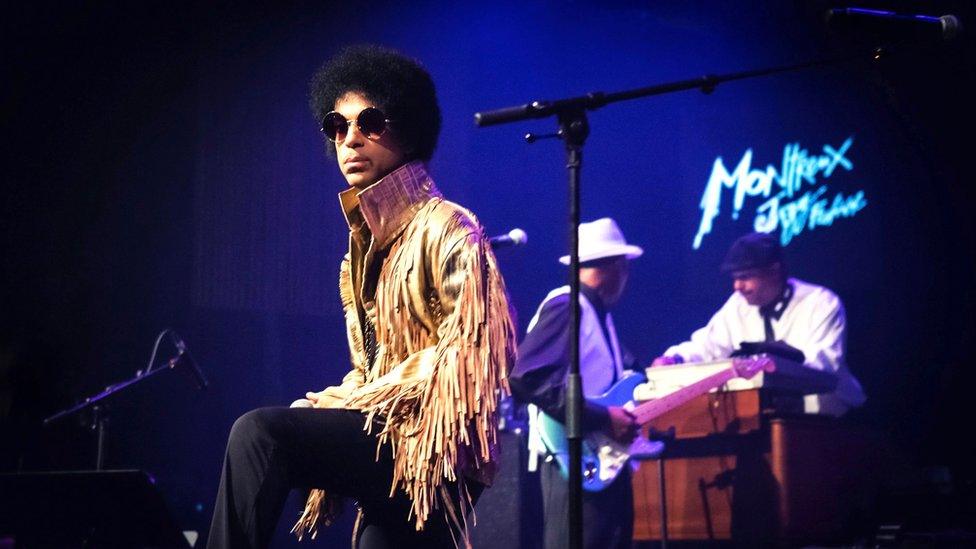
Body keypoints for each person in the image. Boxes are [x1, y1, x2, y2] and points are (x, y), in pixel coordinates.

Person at [207, 45, 517, 549]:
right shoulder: (358, 257)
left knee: (259, 434)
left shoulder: (450, 228)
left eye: (369, 122)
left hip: (434, 446)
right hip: (395, 440)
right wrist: (340, 397)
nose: (349, 139)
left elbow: (471, 356)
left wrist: (357, 399)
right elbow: (373, 366)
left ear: (409, 130)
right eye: (337, 125)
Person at [509, 217, 643, 549]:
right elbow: (526, 376)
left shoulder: (597, 314)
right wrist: (603, 418)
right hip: (572, 459)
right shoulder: (567, 305)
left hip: (600, 459)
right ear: (616, 268)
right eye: (625, 269)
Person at [652, 232, 866, 416]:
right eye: (735, 278)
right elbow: (708, 344)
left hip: (829, 421)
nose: (737, 286)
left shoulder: (821, 302)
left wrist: (775, 365)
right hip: (769, 418)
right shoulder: (737, 306)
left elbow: (825, 364)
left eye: (745, 277)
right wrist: (675, 358)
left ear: (774, 271)